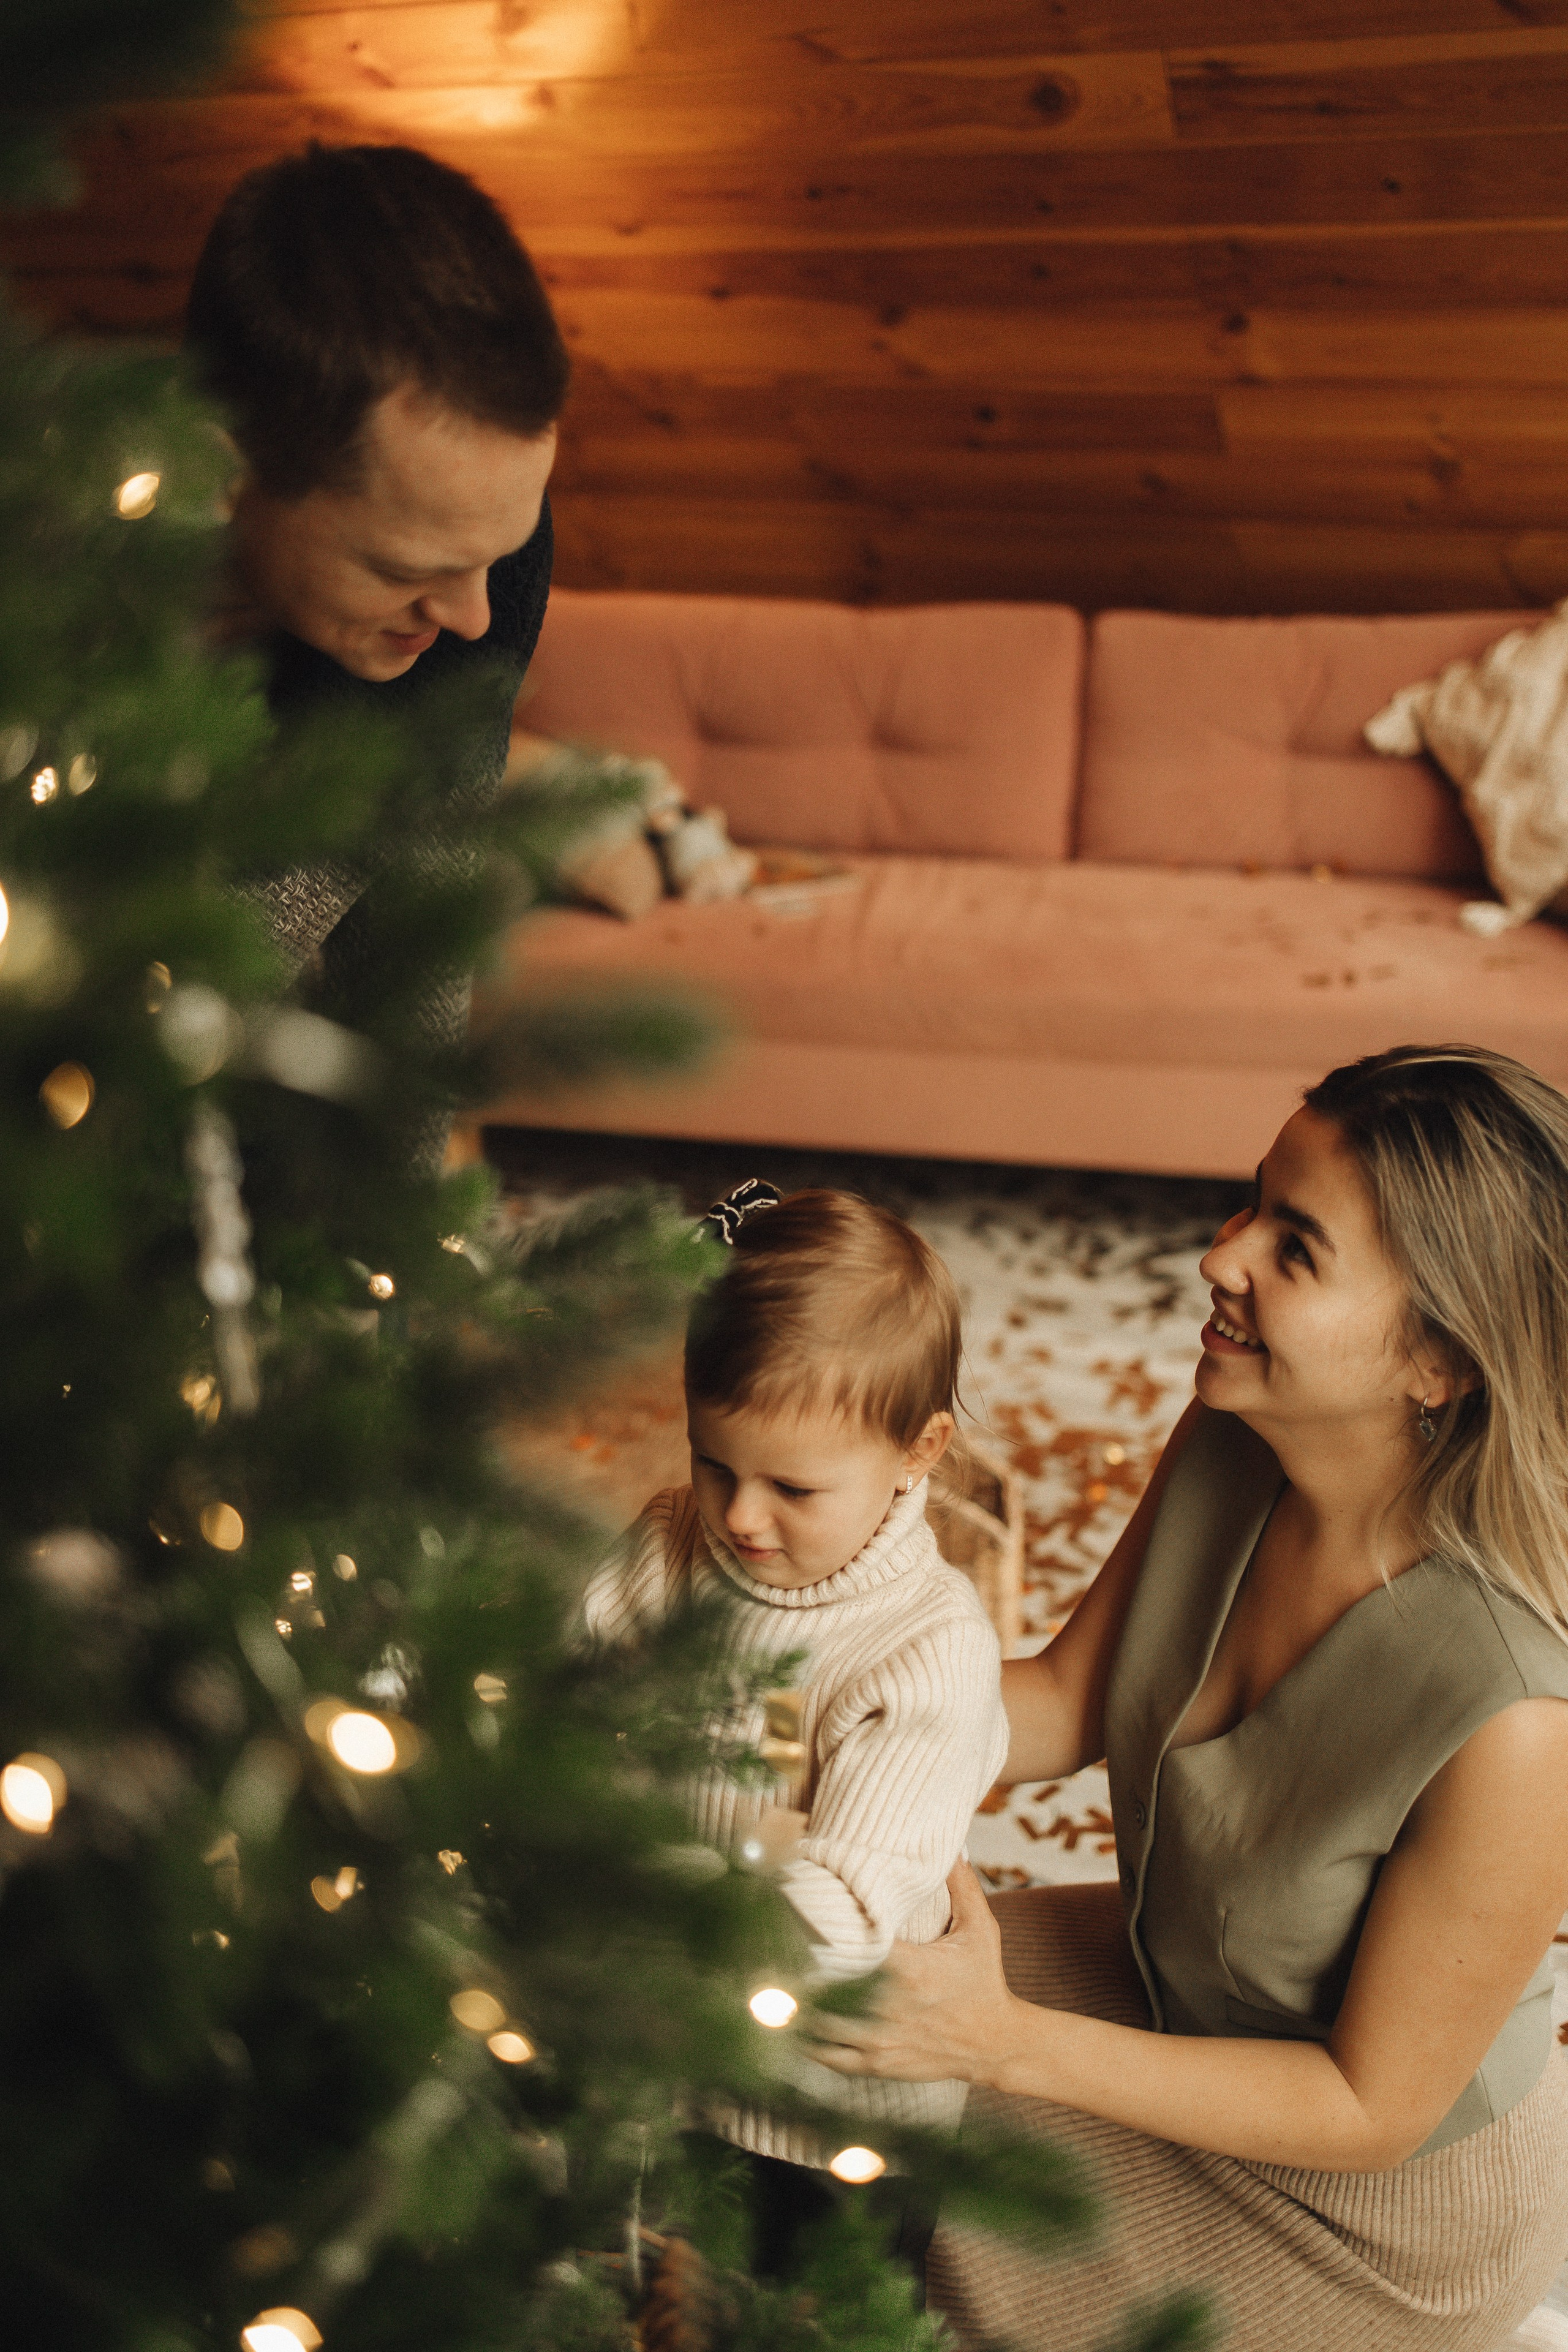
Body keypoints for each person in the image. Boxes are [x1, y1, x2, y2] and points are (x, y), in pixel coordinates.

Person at [810, 1044, 1568, 2351]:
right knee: (804, 2007)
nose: (1221, 1256)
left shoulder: (1517, 1722)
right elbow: (1063, 1700)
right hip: (1173, 1979)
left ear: (1438, 1359)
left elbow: (1368, 2107)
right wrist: (785, 1704)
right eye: (1251, 1203)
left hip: (1363, 2214)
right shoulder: (1240, 1428)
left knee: (887, 2239)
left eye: (1295, 1249)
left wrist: (997, 2043)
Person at [581, 1181, 1009, 2278]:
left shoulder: (928, 1651)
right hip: (673, 2055)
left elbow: (847, 1912)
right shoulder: (675, 1543)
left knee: (815, 2313)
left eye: (793, 1488)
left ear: (919, 1450)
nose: (738, 1515)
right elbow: (568, 1684)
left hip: (832, 2112)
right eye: (713, 1462)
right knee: (656, 2286)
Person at [185, 141, 568, 1165]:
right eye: (409, 567)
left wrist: (402, 1220)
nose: (476, 617)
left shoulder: (483, 566)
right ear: (224, 475)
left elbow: (414, 947)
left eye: (498, 555)